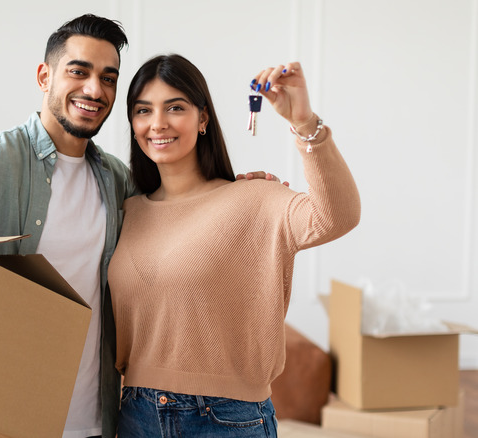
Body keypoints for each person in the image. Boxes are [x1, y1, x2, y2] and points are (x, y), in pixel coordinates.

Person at [0, 15, 277, 438]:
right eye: (78, 72)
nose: (94, 89)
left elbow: (180, 206)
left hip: (98, 419)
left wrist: (232, 189)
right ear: (45, 77)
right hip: (4, 415)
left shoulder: (117, 179)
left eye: (108, 78)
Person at [107, 55, 361, 437]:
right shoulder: (127, 210)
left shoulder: (254, 199)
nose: (157, 123)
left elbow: (338, 215)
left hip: (223, 419)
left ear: (203, 118)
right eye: (144, 110)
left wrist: (304, 122)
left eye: (175, 107)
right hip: (135, 415)